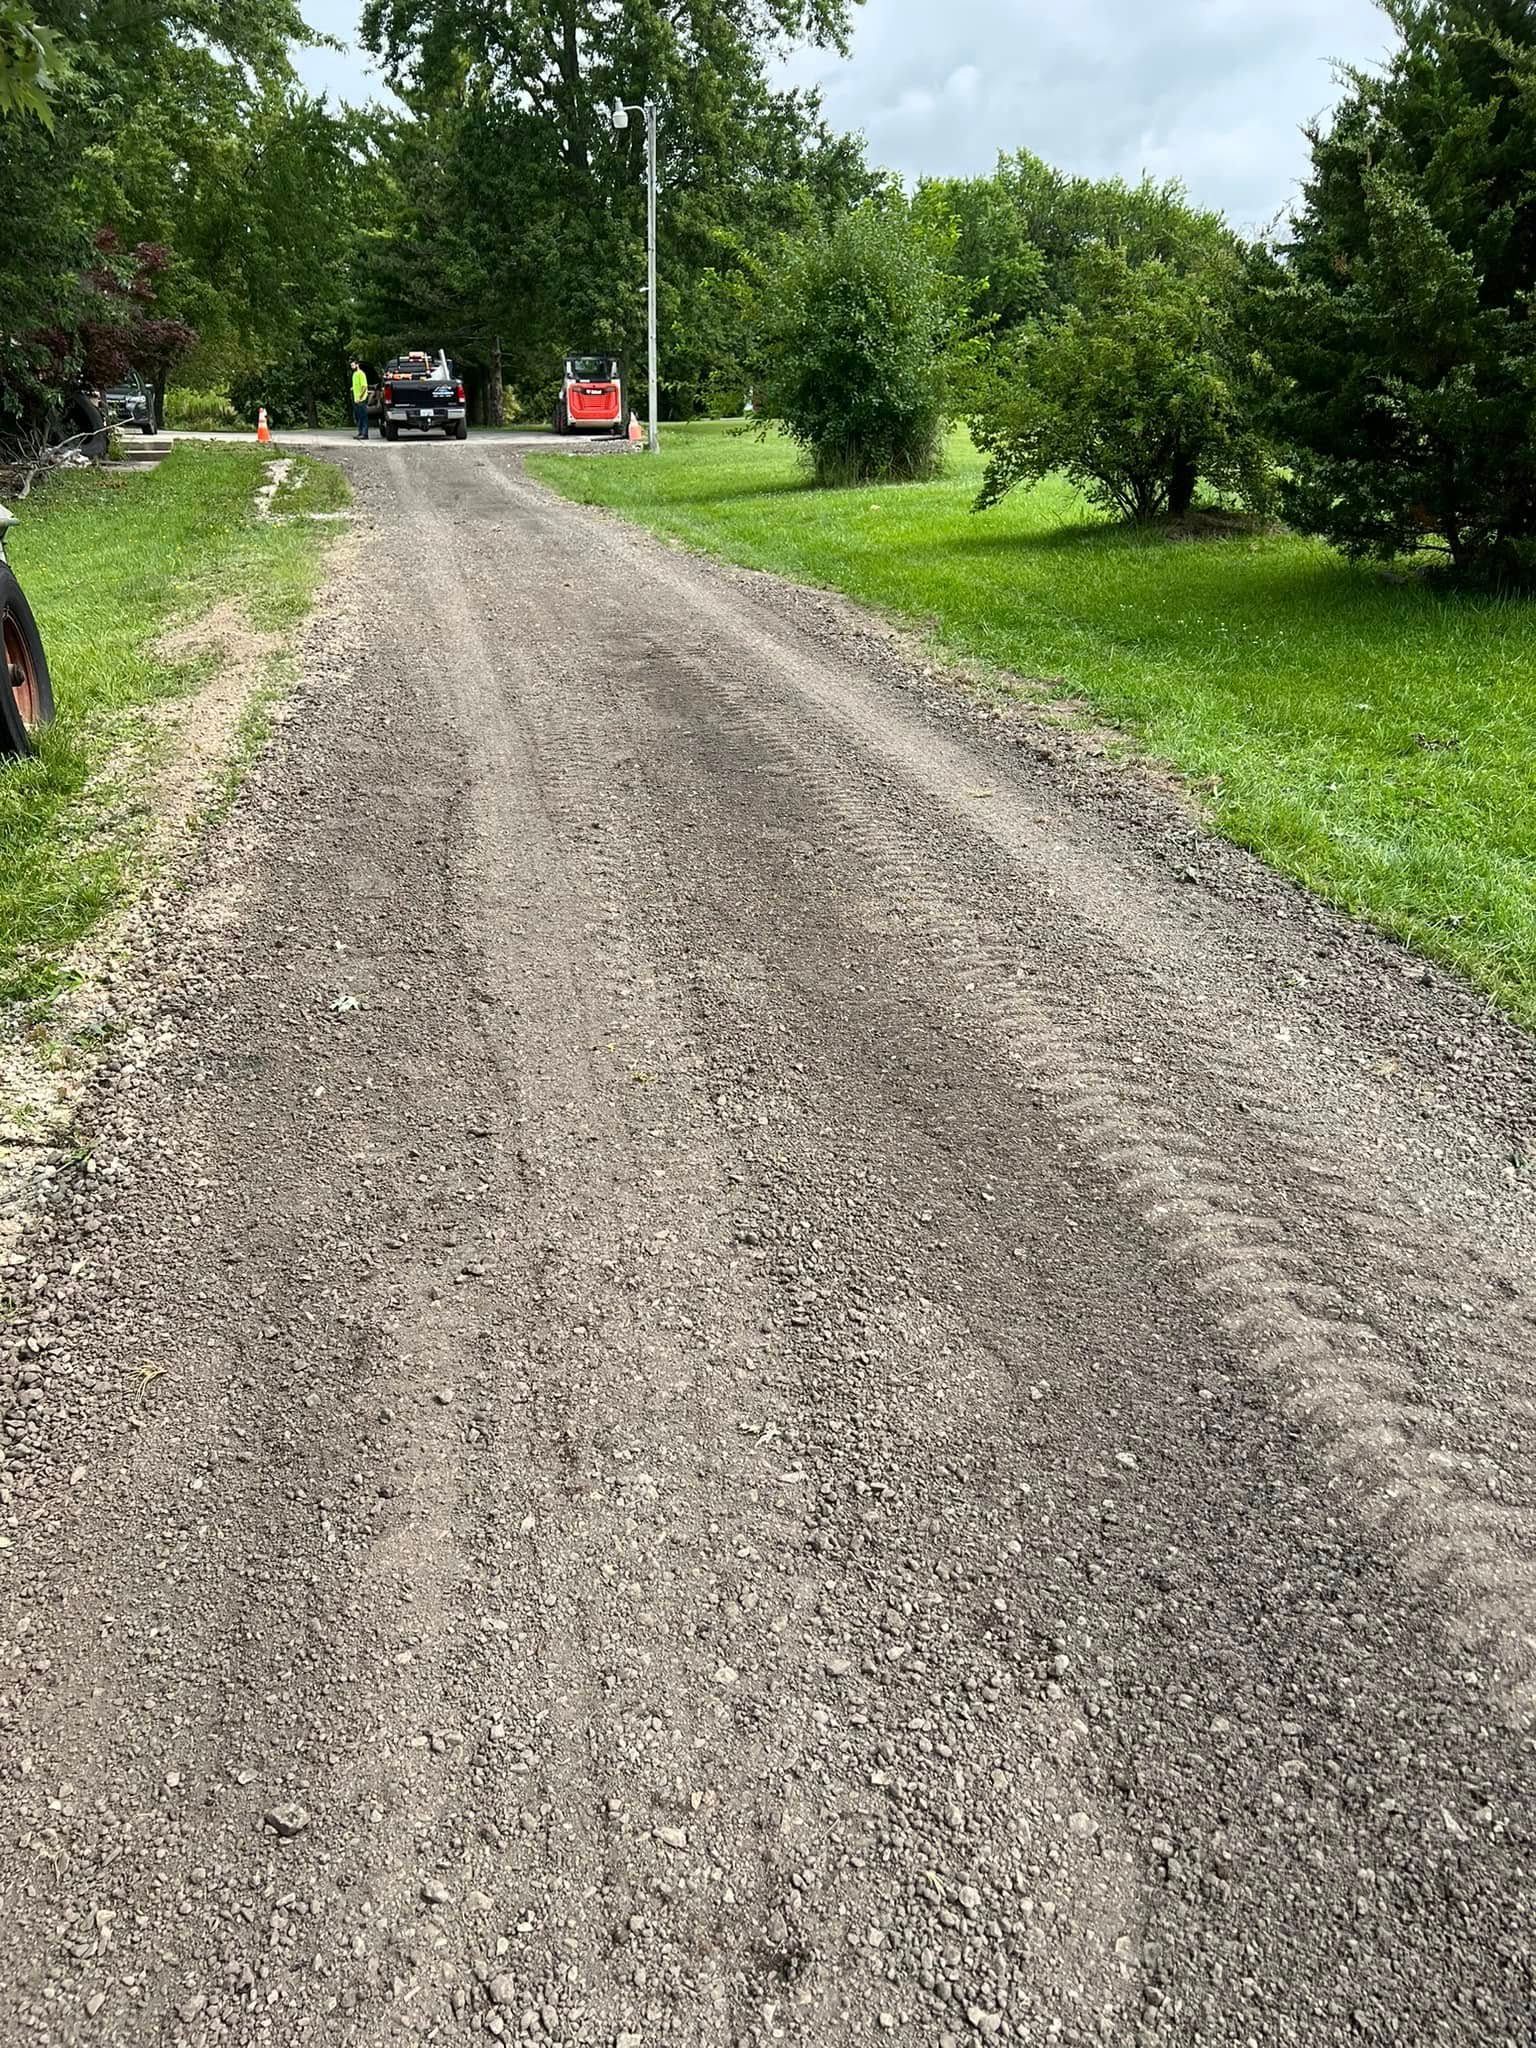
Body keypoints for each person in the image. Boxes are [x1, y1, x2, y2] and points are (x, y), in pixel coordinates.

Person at [350, 359, 369, 440]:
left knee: (363, 417)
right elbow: (357, 385)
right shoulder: (354, 374)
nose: (352, 367)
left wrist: (360, 398)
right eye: (351, 366)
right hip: (356, 399)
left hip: (361, 399)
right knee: (358, 417)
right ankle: (360, 433)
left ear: (357, 365)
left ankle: (365, 434)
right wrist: (353, 388)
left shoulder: (361, 374)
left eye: (353, 365)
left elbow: (364, 386)